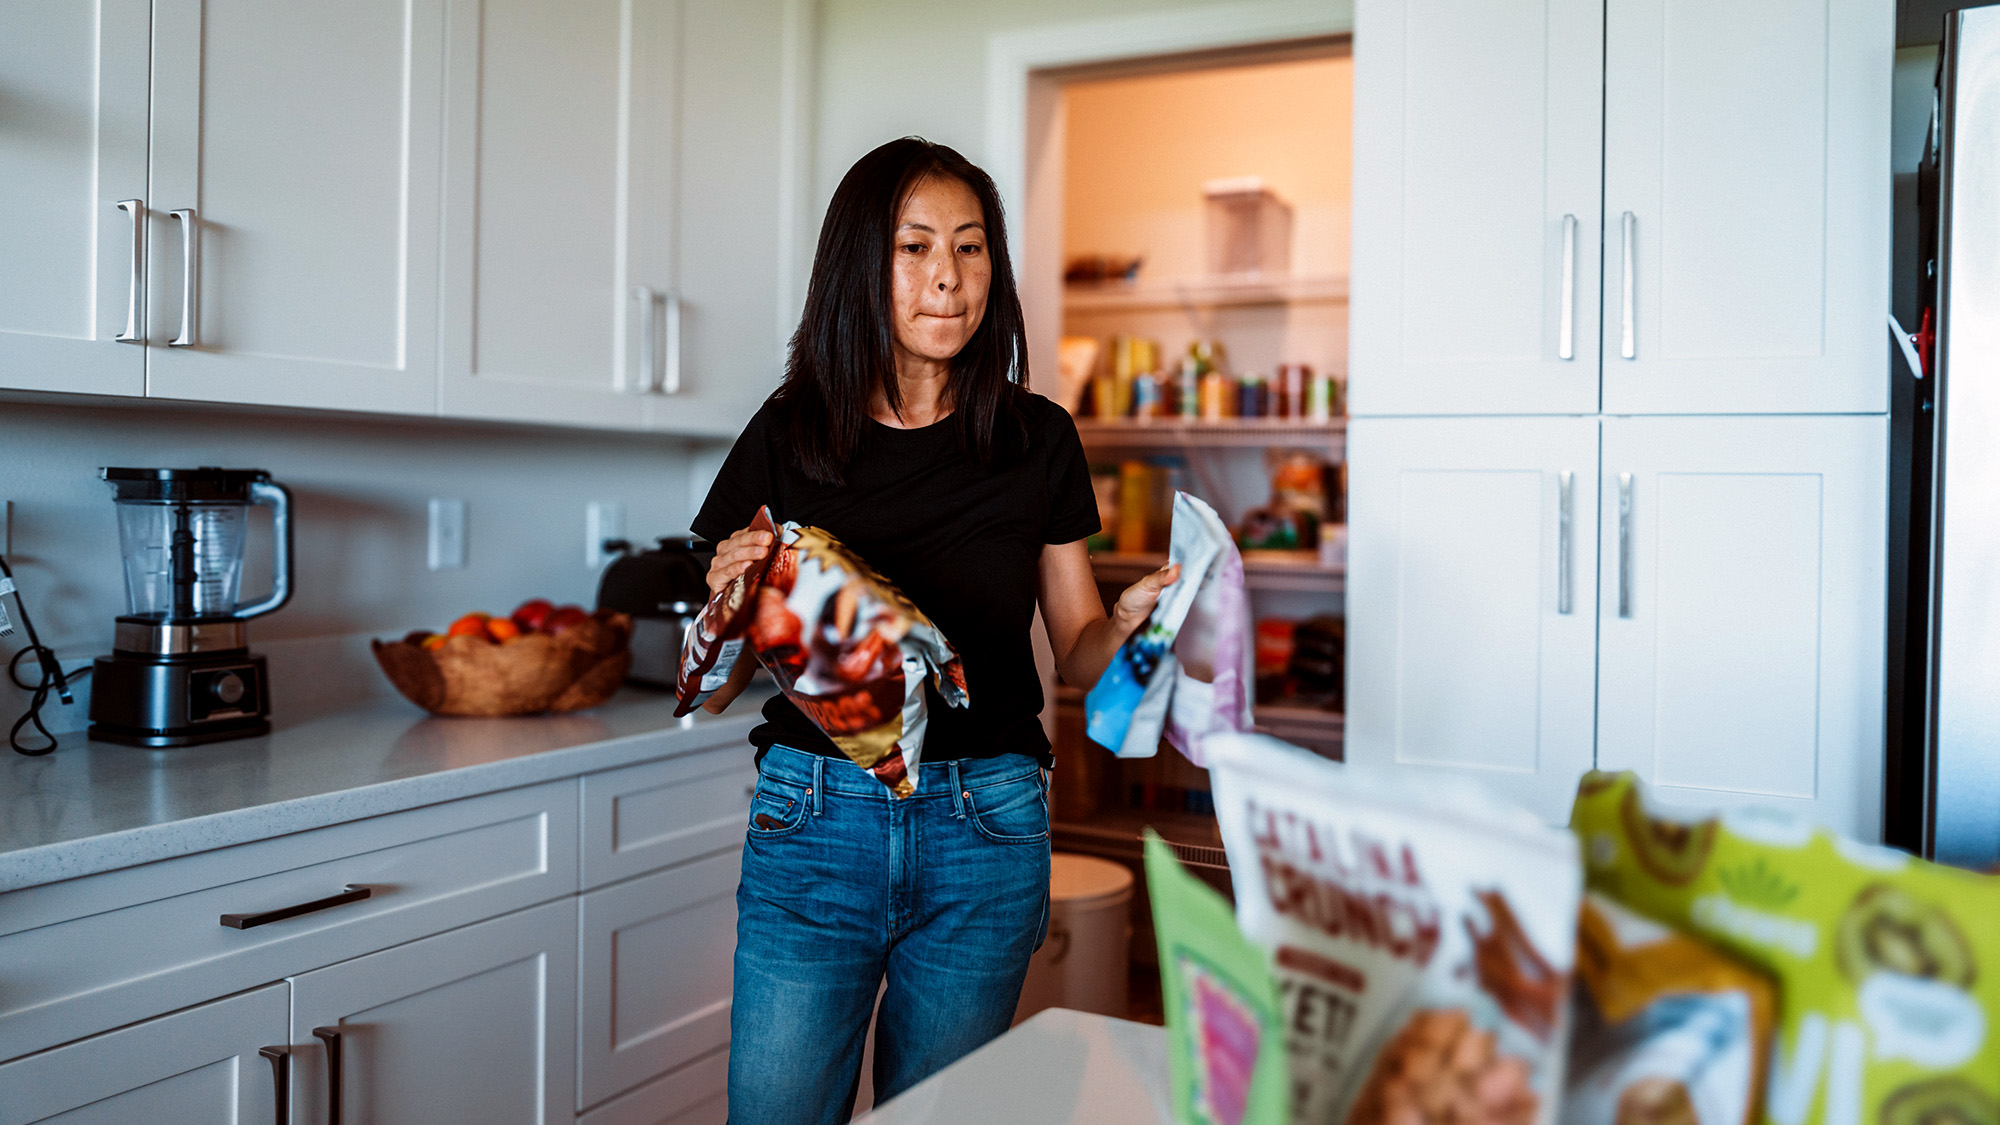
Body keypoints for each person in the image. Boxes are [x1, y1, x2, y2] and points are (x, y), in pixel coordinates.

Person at [690, 136, 1178, 1124]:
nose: (946, 279)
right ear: (859, 268)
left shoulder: (1035, 438)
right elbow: (707, 679)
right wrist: (723, 609)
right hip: (815, 817)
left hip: (986, 825)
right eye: (913, 248)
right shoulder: (788, 432)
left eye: (968, 247)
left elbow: (1076, 641)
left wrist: (1125, 625)